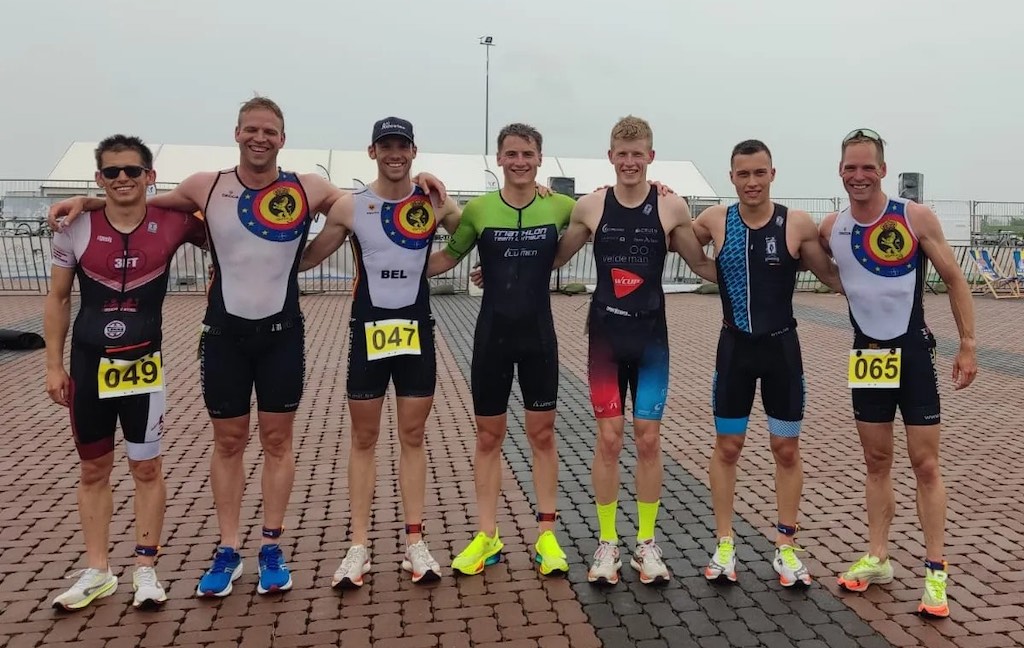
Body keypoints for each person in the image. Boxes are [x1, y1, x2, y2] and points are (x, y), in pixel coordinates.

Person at [47, 97, 446, 597]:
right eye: (251, 129)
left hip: (282, 334)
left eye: (270, 131)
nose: (260, 138)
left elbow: (377, 201)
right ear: (236, 133)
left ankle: (272, 548)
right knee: (229, 442)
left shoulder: (310, 187)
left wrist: (422, 177)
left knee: (278, 442)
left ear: (282, 138)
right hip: (224, 337)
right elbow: (136, 202)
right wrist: (86, 202)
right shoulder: (205, 185)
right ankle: (229, 550)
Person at [819, 128, 977, 618]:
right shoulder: (832, 227)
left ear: (883, 170)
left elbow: (954, 277)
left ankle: (935, 572)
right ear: (841, 171)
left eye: (868, 167)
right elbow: (797, 247)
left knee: (925, 464)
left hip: (912, 353)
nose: (859, 175)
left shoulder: (913, 217)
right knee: (876, 461)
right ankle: (878, 557)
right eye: (851, 167)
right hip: (867, 354)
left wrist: (968, 344)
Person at [552, 115, 717, 585]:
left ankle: (646, 544)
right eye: (621, 154)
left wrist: (759, 273)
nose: (629, 162)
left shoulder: (670, 207)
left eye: (637, 154)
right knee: (609, 438)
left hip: (651, 341)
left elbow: (701, 264)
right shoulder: (589, 206)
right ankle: (607, 545)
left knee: (647, 438)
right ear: (611, 157)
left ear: (650, 157)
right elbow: (557, 255)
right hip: (605, 339)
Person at [44, 135, 206, 610]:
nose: (122, 179)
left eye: (132, 171)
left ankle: (145, 569)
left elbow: (227, 232)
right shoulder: (74, 226)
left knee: (146, 466)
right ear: (98, 178)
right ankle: (97, 570)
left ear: (149, 176)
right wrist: (53, 365)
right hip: (88, 365)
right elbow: (56, 298)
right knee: (94, 468)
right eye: (111, 172)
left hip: (143, 366)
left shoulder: (172, 222)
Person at [298, 117, 461, 587]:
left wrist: (441, 210)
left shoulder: (430, 201)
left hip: (417, 332)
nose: (395, 153)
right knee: (364, 439)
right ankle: (358, 546)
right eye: (386, 145)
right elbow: (310, 257)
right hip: (367, 332)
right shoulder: (352, 206)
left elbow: (471, 234)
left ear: (414, 151)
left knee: (413, 437)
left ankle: (415, 543)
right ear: (372, 151)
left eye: (403, 146)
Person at [425, 123, 576, 577]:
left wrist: (655, 185)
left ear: (540, 158)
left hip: (539, 340)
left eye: (527, 154)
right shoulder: (479, 209)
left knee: (542, 435)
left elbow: (606, 209)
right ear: (499, 159)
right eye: (511, 154)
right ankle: (487, 535)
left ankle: (547, 536)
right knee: (488, 438)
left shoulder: (562, 206)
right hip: (491, 338)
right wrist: (390, 263)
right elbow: (445, 258)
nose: (519, 162)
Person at [692, 140, 842, 587]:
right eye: (743, 174)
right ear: (732, 177)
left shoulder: (794, 223)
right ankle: (724, 545)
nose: (752, 182)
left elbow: (833, 276)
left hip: (781, 351)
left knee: (787, 449)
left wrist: (891, 275)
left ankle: (785, 547)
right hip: (734, 350)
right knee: (728, 448)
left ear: (772, 174)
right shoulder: (716, 219)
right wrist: (656, 190)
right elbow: (667, 235)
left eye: (760, 173)